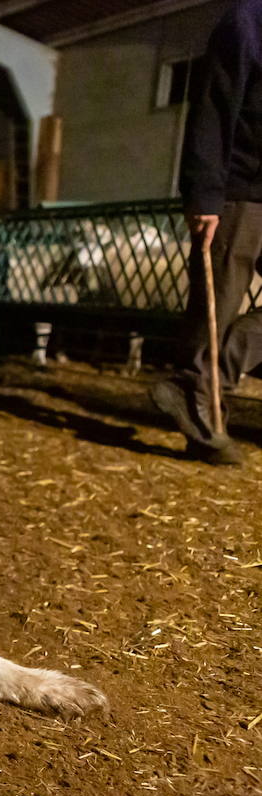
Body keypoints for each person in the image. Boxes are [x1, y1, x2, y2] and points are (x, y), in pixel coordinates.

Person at [151, 0, 262, 465]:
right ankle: (204, 412)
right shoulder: (248, 20)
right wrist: (204, 191)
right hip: (241, 190)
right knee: (217, 302)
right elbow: (214, 105)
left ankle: (195, 385)